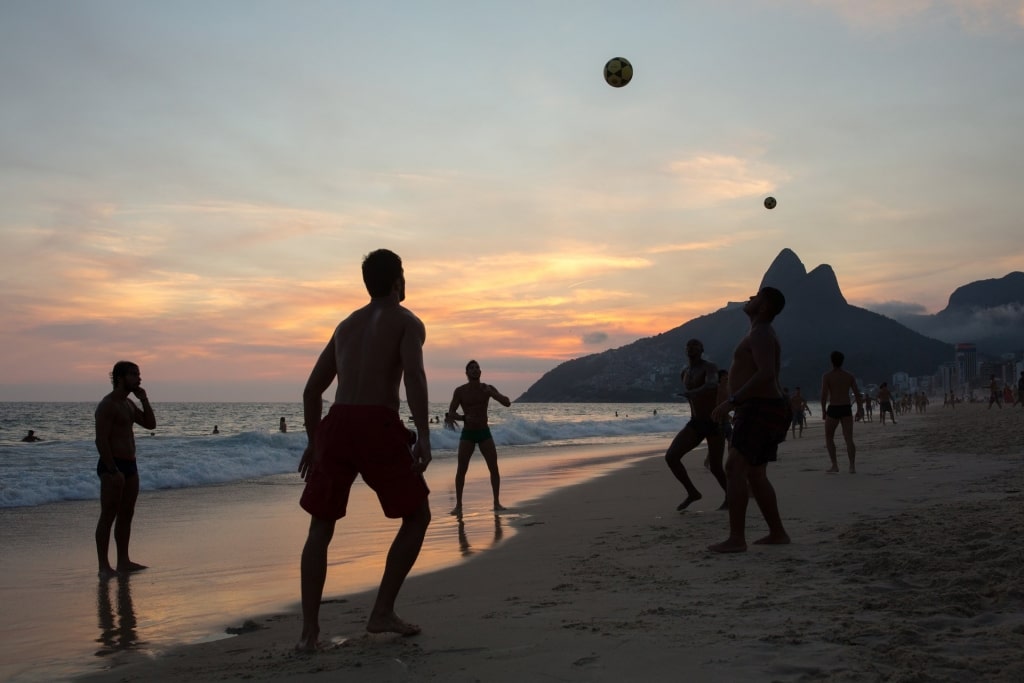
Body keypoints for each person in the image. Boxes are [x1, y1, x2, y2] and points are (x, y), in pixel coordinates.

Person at [295, 249, 432, 651]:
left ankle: (308, 634)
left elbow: (311, 391)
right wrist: (423, 434)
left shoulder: (345, 326)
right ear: (398, 281)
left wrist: (313, 440)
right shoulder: (407, 322)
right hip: (376, 424)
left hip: (336, 425)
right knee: (417, 515)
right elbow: (415, 379)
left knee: (320, 527)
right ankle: (382, 611)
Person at [709, 287, 791, 553]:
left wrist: (732, 401)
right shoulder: (759, 333)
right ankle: (777, 533)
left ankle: (736, 539)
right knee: (755, 474)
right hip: (763, 408)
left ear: (764, 306)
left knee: (734, 468)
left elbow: (766, 373)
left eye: (755, 296)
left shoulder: (761, 334)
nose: (749, 298)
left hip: (759, 408)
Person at [94, 360, 157, 579]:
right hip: (113, 465)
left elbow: (150, 424)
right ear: (120, 378)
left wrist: (144, 399)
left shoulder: (129, 404)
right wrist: (112, 470)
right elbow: (101, 440)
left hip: (130, 463)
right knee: (108, 514)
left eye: (139, 374)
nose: (139, 378)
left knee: (126, 514)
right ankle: (104, 566)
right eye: (134, 374)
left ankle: (123, 560)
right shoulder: (108, 404)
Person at [664, 339, 727, 511]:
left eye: (696, 346)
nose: (692, 348)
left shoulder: (710, 367)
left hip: (714, 422)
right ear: (685, 350)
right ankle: (692, 492)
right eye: (689, 346)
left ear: (702, 350)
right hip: (695, 423)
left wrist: (692, 392)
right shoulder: (684, 371)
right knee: (671, 456)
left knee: (715, 467)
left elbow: (712, 384)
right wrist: (691, 393)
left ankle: (731, 496)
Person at [445, 360, 512, 516]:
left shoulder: (487, 388)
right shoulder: (460, 391)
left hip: (484, 433)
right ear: (467, 373)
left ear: (480, 372)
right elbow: (451, 413)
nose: (475, 370)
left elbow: (507, 403)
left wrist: (492, 393)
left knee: (493, 468)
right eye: (471, 368)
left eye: (477, 368)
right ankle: (458, 506)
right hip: (468, 434)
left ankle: (496, 503)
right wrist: (463, 418)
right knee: (461, 469)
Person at [821, 351, 864, 474]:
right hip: (846, 407)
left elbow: (824, 395)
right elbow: (857, 394)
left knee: (829, 437)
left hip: (834, 408)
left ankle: (835, 465)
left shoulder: (827, 376)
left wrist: (823, 410)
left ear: (831, 361)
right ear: (842, 361)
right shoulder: (849, 376)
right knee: (848, 438)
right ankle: (852, 467)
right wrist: (860, 409)